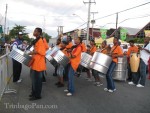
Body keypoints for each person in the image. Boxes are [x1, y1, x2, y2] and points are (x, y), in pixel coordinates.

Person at [28, 28, 47, 101]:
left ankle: (37, 95)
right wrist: (32, 51)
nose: (34, 32)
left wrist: (31, 52)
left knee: (38, 81)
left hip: (39, 65)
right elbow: (36, 50)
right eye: (34, 30)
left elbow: (42, 52)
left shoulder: (40, 41)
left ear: (39, 33)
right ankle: (33, 93)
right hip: (35, 63)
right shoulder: (37, 40)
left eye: (35, 31)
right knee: (33, 80)